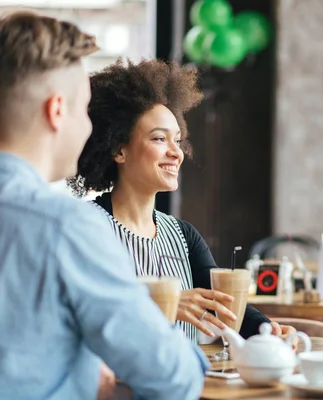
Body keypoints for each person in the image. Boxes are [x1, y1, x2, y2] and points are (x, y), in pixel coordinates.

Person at [0, 11, 208, 400]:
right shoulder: (65, 226)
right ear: (57, 110)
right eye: (84, 110)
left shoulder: (179, 235)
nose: (88, 128)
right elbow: (173, 378)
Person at [67, 58, 294, 344]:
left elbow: (221, 302)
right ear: (118, 149)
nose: (177, 153)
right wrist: (163, 304)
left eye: (178, 139)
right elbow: (85, 310)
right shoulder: (85, 227)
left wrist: (268, 328)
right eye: (159, 139)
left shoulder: (183, 236)